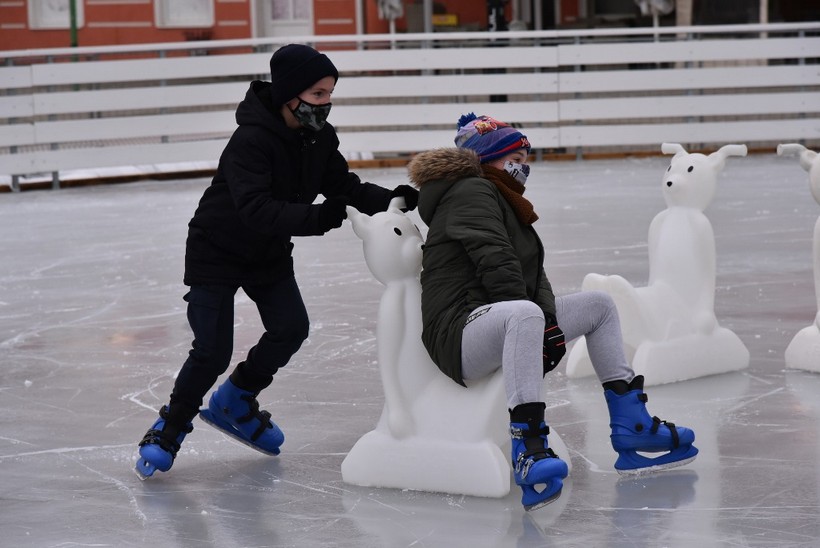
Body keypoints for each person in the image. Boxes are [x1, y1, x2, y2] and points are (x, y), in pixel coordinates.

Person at [135, 44, 419, 478]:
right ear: (290, 94)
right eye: (318, 94)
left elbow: (343, 185)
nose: (326, 103)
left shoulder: (319, 138)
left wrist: (395, 199)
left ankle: (236, 398)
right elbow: (256, 209)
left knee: (291, 328)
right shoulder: (250, 140)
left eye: (329, 94)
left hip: (267, 253)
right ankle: (169, 428)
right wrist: (320, 217)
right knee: (211, 350)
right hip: (217, 250)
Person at [408, 113, 697, 510]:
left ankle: (633, 425)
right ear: (485, 158)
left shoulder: (505, 199)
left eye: (527, 155)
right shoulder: (470, 191)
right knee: (524, 314)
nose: (524, 164)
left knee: (597, 305)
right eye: (516, 154)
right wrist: (538, 322)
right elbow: (495, 260)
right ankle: (529, 448)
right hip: (459, 331)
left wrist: (548, 324)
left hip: (497, 318)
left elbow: (532, 278)